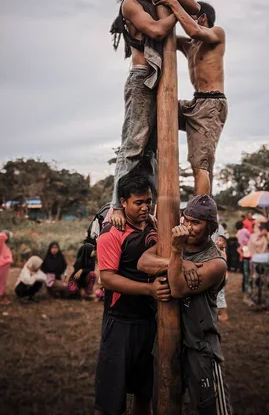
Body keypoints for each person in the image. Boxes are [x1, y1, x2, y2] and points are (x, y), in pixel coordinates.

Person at [138, 194, 232, 414]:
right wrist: (180, 261)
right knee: (163, 402)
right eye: (186, 220)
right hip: (166, 339)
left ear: (211, 228)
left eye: (195, 223)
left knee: (211, 407)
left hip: (201, 345)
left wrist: (176, 253)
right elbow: (143, 262)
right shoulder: (175, 245)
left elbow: (179, 288)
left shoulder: (216, 262)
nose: (188, 227)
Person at [108, 0, 178, 229]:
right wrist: (177, 11)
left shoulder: (153, 1)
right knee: (134, 145)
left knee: (152, 151)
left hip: (156, 81)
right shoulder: (130, 4)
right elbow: (157, 31)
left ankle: (158, 209)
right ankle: (116, 204)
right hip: (140, 80)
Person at [94, 174, 171, 415]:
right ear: (123, 202)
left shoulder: (154, 225)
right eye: (138, 202)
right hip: (121, 323)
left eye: (148, 201)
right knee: (110, 401)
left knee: (144, 393)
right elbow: (107, 278)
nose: (145, 206)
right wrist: (150, 289)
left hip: (151, 322)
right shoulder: (111, 233)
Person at [154, 0, 227, 196]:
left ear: (202, 18)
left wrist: (173, 3)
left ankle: (199, 214)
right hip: (195, 103)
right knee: (158, 108)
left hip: (212, 104)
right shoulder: (189, 45)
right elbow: (161, 35)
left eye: (190, 15)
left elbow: (193, 29)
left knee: (199, 164)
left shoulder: (216, 34)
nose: (183, 18)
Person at [235, 220, 251, 298]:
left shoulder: (237, 233)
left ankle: (244, 287)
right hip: (248, 249)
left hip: (242, 251)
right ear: (243, 225)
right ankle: (248, 287)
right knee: (249, 270)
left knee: (245, 271)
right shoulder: (245, 230)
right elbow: (250, 237)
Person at [215, 234, 229, 323]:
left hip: (222, 276)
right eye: (216, 240)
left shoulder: (221, 252)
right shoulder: (219, 251)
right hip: (220, 275)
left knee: (220, 294)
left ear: (224, 245)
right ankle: (220, 314)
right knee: (218, 294)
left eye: (219, 241)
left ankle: (223, 315)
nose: (217, 242)